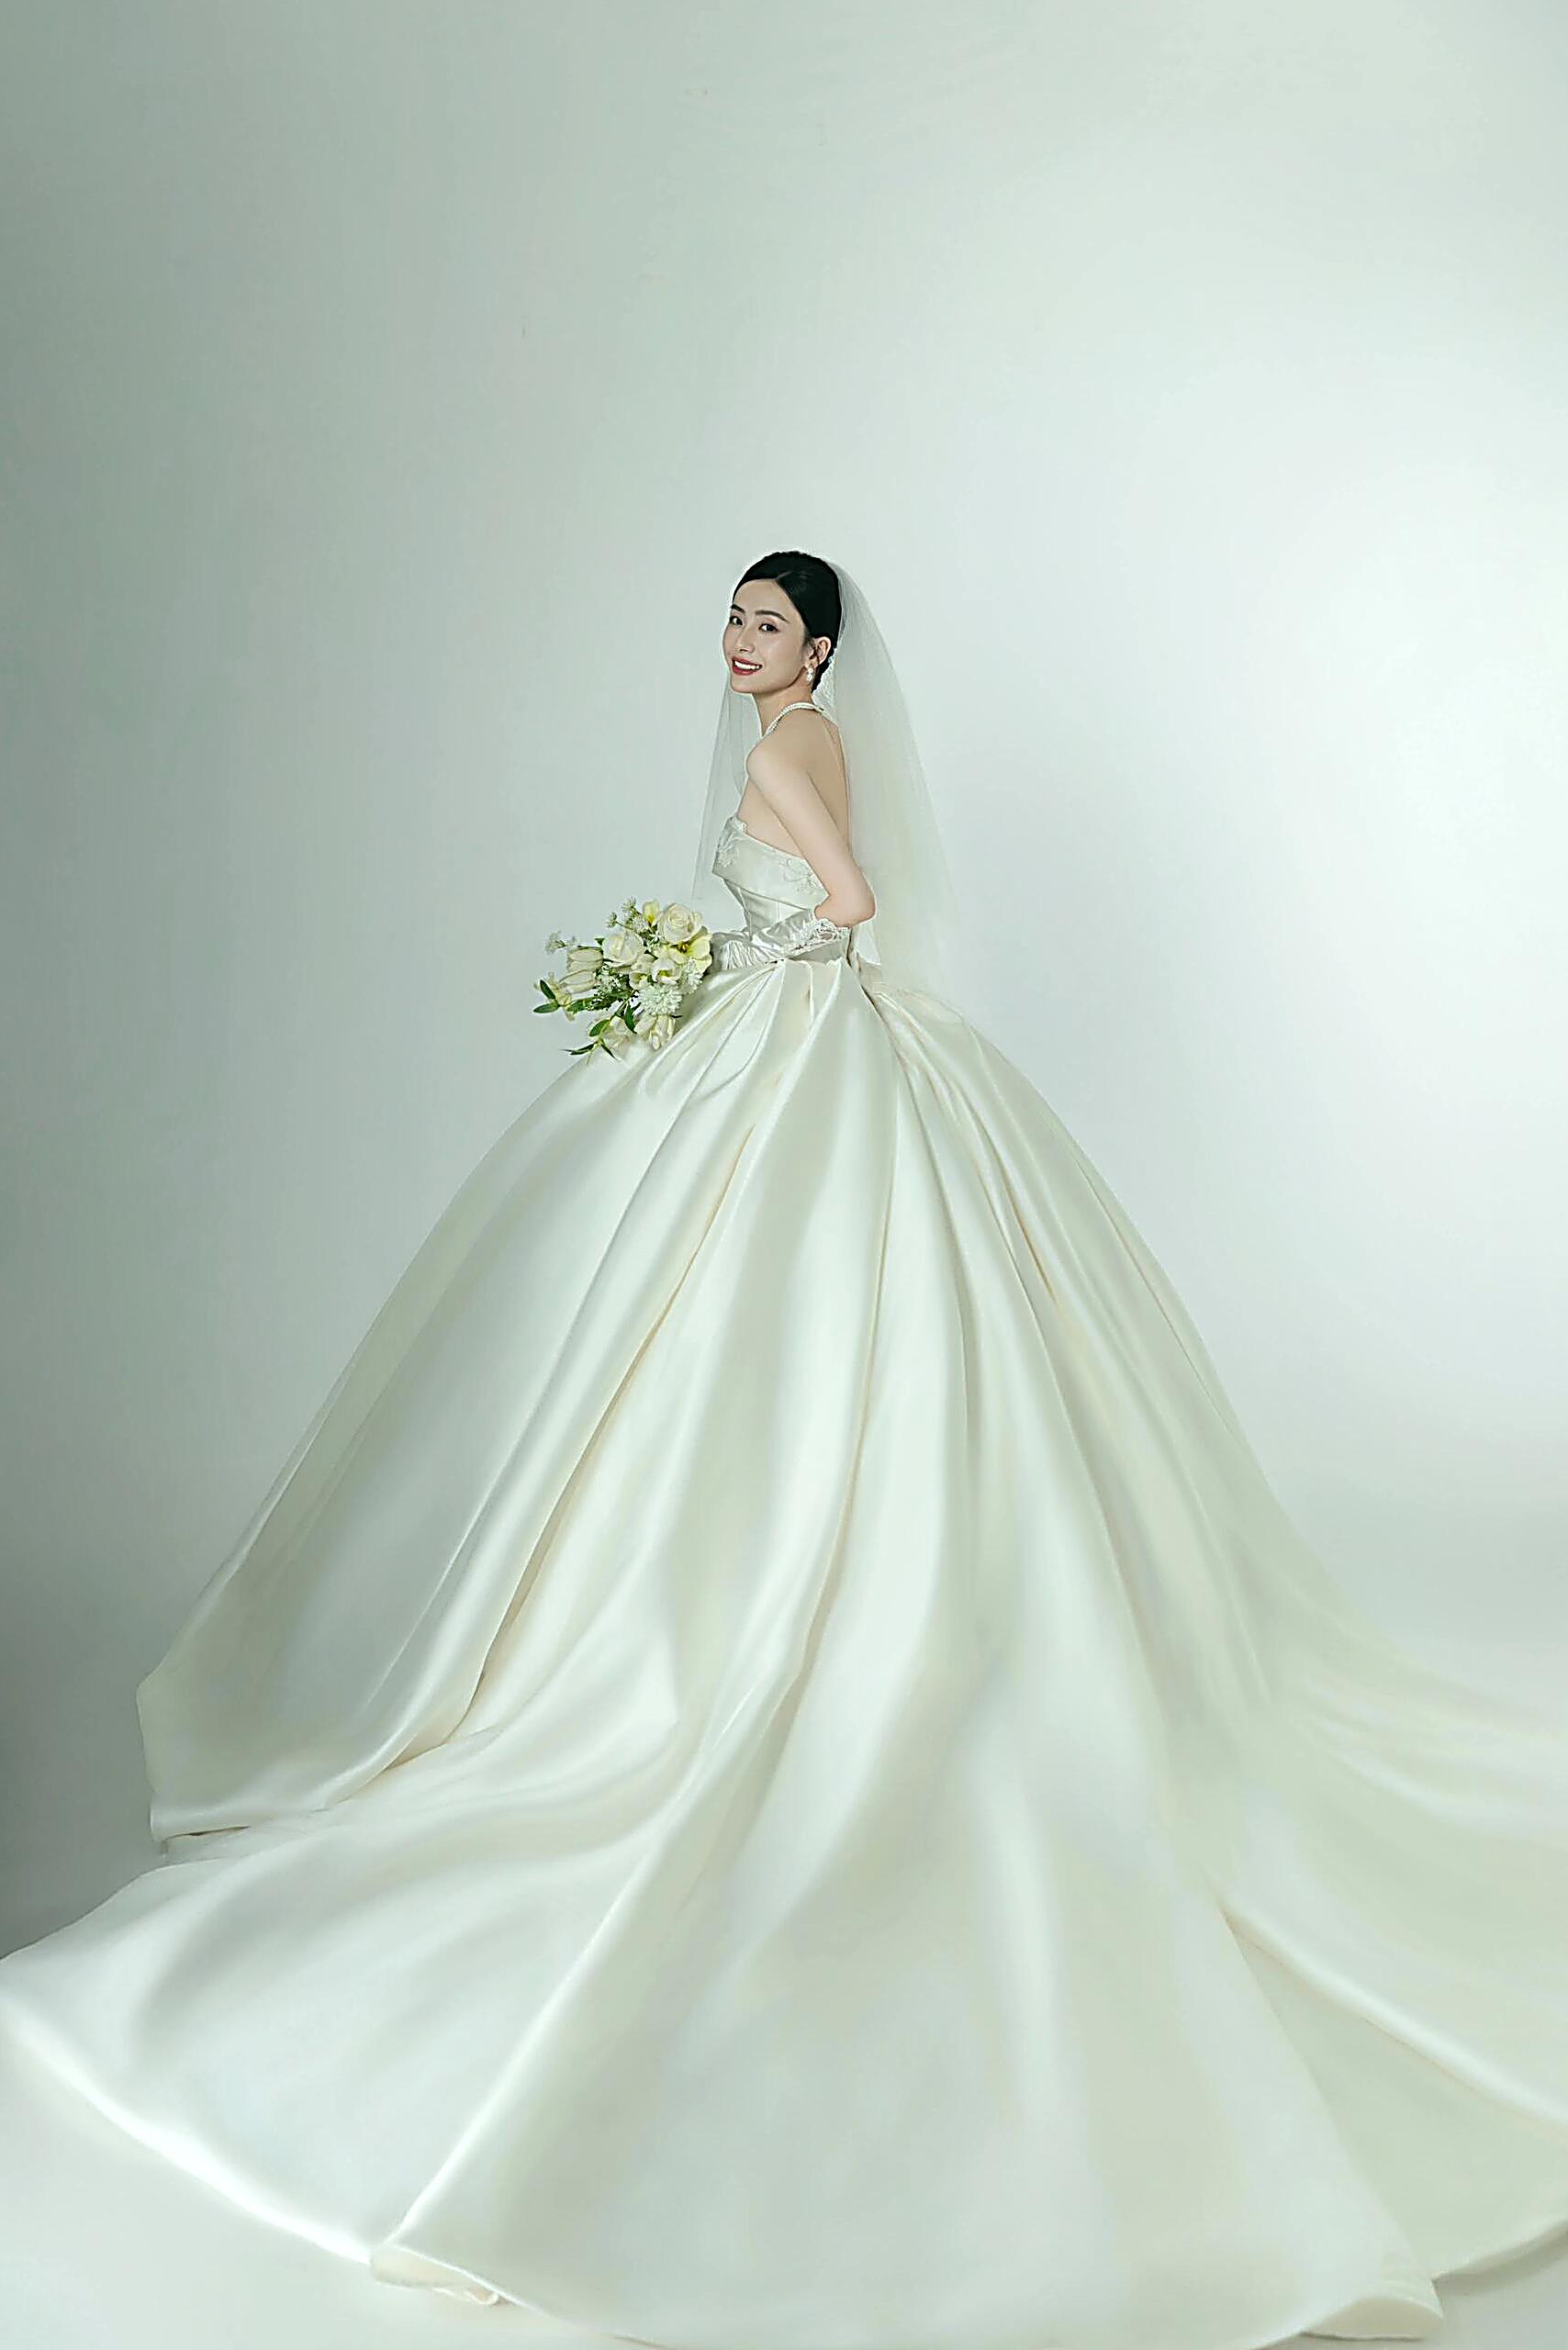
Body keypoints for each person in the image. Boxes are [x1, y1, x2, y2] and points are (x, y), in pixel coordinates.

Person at [2, 550, 1566, 2350]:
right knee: (796, 1329)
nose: (737, 642)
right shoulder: (813, 734)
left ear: (817, 649)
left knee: (732, 1329)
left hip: (793, 1046)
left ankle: (717, 1610)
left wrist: (733, 960)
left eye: (766, 623)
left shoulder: (779, 751)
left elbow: (846, 900)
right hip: (814, 1046)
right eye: (733, 617)